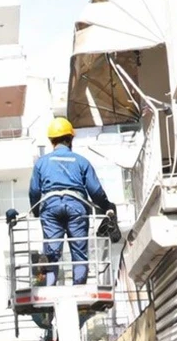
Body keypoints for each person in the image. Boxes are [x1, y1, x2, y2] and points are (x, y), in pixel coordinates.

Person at [29, 117, 115, 286]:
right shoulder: (81, 161)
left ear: (52, 141)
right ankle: (79, 287)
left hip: (50, 207)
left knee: (52, 253)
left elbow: (34, 191)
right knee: (79, 252)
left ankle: (49, 288)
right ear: (70, 139)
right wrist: (106, 206)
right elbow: (95, 191)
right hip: (77, 207)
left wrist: (37, 211)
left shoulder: (42, 162)